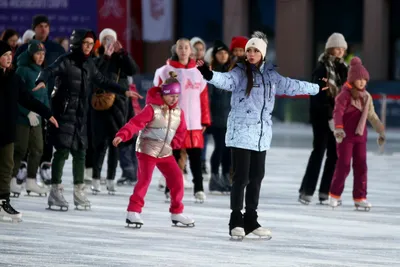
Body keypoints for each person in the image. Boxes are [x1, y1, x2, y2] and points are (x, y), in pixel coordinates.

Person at [197, 31, 322, 239]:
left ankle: (251, 219)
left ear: (263, 53)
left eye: (256, 50)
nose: (252, 54)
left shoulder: (271, 76)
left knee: (256, 178)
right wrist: (209, 75)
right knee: (241, 178)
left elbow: (292, 85)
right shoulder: (239, 72)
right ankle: (235, 220)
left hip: (261, 136)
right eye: (249, 51)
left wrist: (317, 88)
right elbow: (225, 80)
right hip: (241, 133)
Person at [33, 28, 141, 211]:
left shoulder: (90, 64)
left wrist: (123, 91)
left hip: (81, 115)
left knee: (80, 153)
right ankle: (55, 191)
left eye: (91, 44)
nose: (88, 47)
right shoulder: (66, 61)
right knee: (62, 152)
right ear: (77, 43)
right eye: (85, 43)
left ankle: (78, 191)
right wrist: (41, 80)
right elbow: (50, 70)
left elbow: (103, 81)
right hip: (64, 113)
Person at [113, 71, 194, 228]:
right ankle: (133, 211)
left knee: (177, 179)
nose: (174, 99)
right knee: (145, 180)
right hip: (147, 150)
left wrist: (176, 142)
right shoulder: (152, 109)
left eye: (177, 96)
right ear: (163, 94)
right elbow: (135, 123)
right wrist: (123, 135)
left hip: (165, 152)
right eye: (171, 96)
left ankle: (177, 212)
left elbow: (182, 130)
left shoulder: (179, 113)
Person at [0, 40, 58, 222]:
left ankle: (3, 202)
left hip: (7, 131)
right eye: (5, 55)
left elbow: (27, 99)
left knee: (7, 166)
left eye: (10, 55)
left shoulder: (13, 78)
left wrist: (47, 113)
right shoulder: (19, 74)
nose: (9, 58)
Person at [154, 38, 211, 202]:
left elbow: (204, 99)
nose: (184, 50)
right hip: (174, 122)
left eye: (186, 47)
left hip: (194, 123)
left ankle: (198, 189)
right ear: (176, 50)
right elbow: (157, 97)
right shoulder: (165, 71)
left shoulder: (199, 72)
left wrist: (205, 121)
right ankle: (169, 188)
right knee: (173, 158)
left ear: (190, 50)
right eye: (180, 47)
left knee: (195, 158)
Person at [14, 15, 66, 184]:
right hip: (28, 101)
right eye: (40, 26)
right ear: (34, 28)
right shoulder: (24, 49)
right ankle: (22, 168)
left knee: (47, 136)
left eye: (46, 26)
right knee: (26, 138)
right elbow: (16, 75)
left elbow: (64, 72)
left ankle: (45, 166)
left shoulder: (57, 49)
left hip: (51, 98)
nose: (43, 29)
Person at [299, 33, 349, 205]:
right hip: (321, 117)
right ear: (330, 49)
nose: (340, 51)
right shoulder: (321, 69)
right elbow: (318, 96)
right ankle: (306, 190)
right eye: (337, 48)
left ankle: (325, 191)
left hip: (339, 119)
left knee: (334, 155)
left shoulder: (345, 69)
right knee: (319, 152)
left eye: (343, 49)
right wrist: (329, 116)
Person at [329, 57, 385, 210]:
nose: (362, 82)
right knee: (344, 165)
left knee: (361, 166)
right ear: (352, 79)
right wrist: (339, 128)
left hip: (360, 137)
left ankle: (360, 197)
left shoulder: (367, 97)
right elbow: (338, 112)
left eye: (364, 79)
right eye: (359, 79)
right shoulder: (344, 95)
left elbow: (372, 116)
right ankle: (334, 195)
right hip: (345, 137)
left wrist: (380, 129)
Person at [90, 28, 138, 195]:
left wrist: (122, 53)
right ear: (101, 42)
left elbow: (133, 70)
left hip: (118, 106)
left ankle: (111, 179)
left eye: (111, 39)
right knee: (99, 144)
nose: (108, 42)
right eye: (105, 39)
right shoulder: (97, 59)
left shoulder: (121, 59)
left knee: (115, 144)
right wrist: (106, 57)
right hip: (100, 106)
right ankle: (96, 178)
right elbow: (96, 76)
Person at [12, 40, 50, 196]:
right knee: (20, 149)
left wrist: (47, 113)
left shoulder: (42, 71)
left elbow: (44, 95)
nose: (40, 57)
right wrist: (26, 112)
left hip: (37, 119)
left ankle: (31, 181)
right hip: (22, 118)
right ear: (31, 54)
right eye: (37, 53)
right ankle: (11, 180)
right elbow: (15, 95)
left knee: (38, 148)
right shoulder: (22, 70)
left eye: (42, 54)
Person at [207, 40, 232, 194]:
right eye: (219, 53)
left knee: (228, 149)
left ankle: (225, 176)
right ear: (215, 55)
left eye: (225, 53)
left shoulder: (232, 72)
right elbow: (208, 97)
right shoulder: (211, 73)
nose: (223, 55)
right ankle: (214, 177)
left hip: (230, 117)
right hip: (216, 118)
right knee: (220, 147)